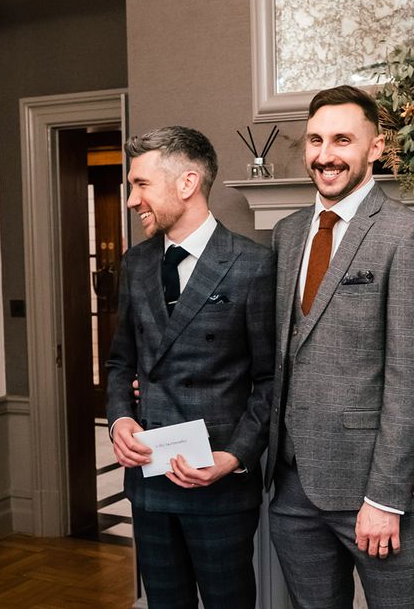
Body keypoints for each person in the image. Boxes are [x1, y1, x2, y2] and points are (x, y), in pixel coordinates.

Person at [266, 85, 414, 609]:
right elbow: (278, 352)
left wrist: (385, 499)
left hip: (374, 495)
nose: (325, 156)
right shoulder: (286, 234)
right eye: (315, 140)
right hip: (292, 490)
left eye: (342, 140)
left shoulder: (408, 237)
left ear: (375, 147)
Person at [106, 126, 274, 609]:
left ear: (187, 183)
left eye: (141, 185)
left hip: (218, 487)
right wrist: (120, 419)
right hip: (148, 484)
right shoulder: (136, 264)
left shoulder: (252, 264)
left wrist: (235, 456)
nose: (132, 199)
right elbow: (121, 362)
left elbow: (269, 380)